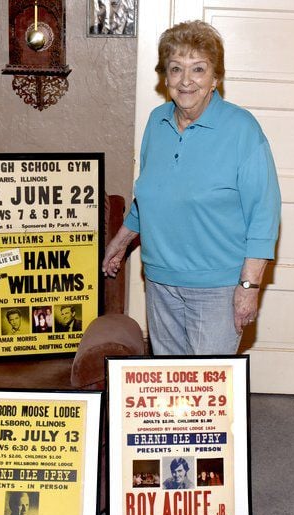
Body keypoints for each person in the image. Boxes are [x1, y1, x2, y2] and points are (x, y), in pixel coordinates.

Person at [102, 20, 281, 355]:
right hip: (159, 280)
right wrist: (121, 240)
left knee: (206, 389)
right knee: (171, 391)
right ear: (165, 77)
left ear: (215, 79)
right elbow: (151, 195)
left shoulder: (242, 129)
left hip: (217, 286)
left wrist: (249, 286)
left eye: (198, 69)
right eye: (176, 69)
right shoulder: (157, 122)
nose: (186, 80)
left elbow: (264, 213)